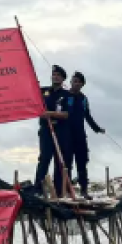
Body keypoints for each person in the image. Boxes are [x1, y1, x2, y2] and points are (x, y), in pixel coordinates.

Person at [66, 71, 106, 199]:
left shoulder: (84, 99)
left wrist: (97, 129)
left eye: (79, 82)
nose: (76, 84)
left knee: (82, 163)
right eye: (74, 81)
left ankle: (84, 190)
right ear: (71, 82)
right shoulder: (65, 96)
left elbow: (87, 116)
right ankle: (68, 191)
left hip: (80, 135)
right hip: (66, 135)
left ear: (82, 84)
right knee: (67, 164)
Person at [33, 65, 72, 196]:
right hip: (46, 130)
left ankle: (59, 191)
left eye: (58, 75)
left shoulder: (67, 95)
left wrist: (50, 114)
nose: (55, 77)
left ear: (63, 79)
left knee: (59, 160)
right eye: (54, 75)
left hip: (61, 131)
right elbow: (33, 101)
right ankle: (38, 189)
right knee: (44, 158)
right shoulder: (43, 91)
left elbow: (66, 114)